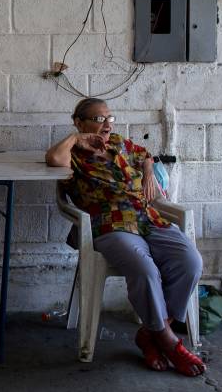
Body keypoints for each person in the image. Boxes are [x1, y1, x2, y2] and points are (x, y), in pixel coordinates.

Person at [45, 98, 205, 377]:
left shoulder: (120, 143)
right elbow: (53, 160)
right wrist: (76, 138)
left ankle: (150, 333)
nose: (106, 124)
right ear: (79, 122)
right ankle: (167, 340)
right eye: (98, 119)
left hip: (146, 218)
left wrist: (147, 171)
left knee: (190, 262)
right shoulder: (74, 154)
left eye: (109, 118)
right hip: (108, 224)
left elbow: (145, 153)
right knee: (145, 270)